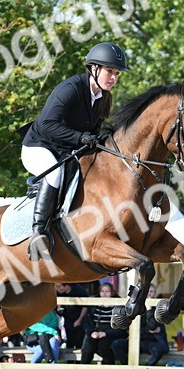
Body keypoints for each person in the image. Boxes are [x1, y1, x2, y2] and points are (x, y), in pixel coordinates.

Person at [20, 42, 129, 261]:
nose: (114, 77)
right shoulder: (71, 88)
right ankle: (39, 232)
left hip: (66, 151)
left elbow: (93, 131)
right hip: (39, 147)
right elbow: (46, 125)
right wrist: (81, 137)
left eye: (117, 73)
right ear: (94, 69)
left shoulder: (103, 97)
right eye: (110, 71)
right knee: (55, 174)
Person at [111, 284, 169, 365]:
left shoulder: (159, 308)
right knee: (116, 344)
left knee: (158, 350)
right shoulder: (136, 307)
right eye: (147, 292)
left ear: (155, 294)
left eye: (151, 292)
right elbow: (129, 327)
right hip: (137, 339)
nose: (149, 294)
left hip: (152, 341)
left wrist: (149, 310)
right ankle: (126, 366)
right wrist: (147, 331)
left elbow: (152, 326)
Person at [80, 282, 125, 364]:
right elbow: (86, 322)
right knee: (88, 344)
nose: (104, 293)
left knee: (104, 345)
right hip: (95, 330)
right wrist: (92, 332)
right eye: (102, 291)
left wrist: (105, 333)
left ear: (112, 293)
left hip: (111, 332)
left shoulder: (118, 306)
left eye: (107, 291)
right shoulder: (94, 304)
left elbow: (121, 327)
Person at [55, 281, 89, 350]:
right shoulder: (58, 293)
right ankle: (69, 360)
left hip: (80, 317)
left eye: (59, 286)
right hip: (67, 318)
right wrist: (59, 309)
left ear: (67, 285)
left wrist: (79, 320)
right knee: (70, 341)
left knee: (79, 341)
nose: (57, 288)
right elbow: (59, 309)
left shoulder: (78, 290)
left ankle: (79, 360)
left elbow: (86, 306)